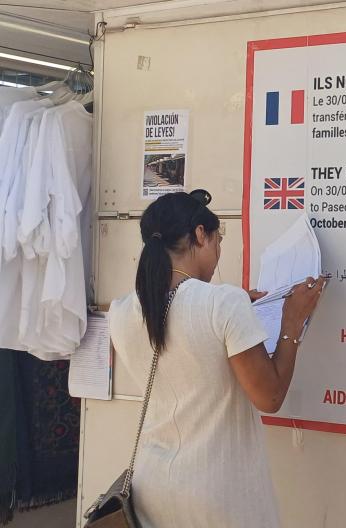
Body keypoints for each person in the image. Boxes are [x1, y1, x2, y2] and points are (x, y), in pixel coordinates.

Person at [108, 190, 326, 528]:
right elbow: (270, 396)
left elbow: (185, 353)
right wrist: (292, 324)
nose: (219, 249)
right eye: (217, 238)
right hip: (220, 495)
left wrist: (237, 313)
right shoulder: (222, 303)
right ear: (199, 234)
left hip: (150, 490)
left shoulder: (121, 312)